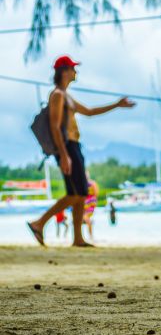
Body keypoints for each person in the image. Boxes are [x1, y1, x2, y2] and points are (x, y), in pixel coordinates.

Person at [27, 55, 135, 247]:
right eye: (73, 68)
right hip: (67, 146)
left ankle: (77, 238)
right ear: (64, 72)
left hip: (73, 146)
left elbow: (90, 112)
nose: (76, 72)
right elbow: (54, 126)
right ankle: (39, 223)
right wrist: (64, 155)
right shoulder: (58, 95)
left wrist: (117, 105)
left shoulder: (66, 95)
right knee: (76, 194)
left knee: (80, 192)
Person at [82, 172, 99, 240]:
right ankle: (88, 236)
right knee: (84, 219)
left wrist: (93, 202)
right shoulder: (82, 184)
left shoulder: (92, 183)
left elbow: (96, 193)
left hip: (90, 203)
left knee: (87, 218)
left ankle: (91, 236)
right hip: (83, 203)